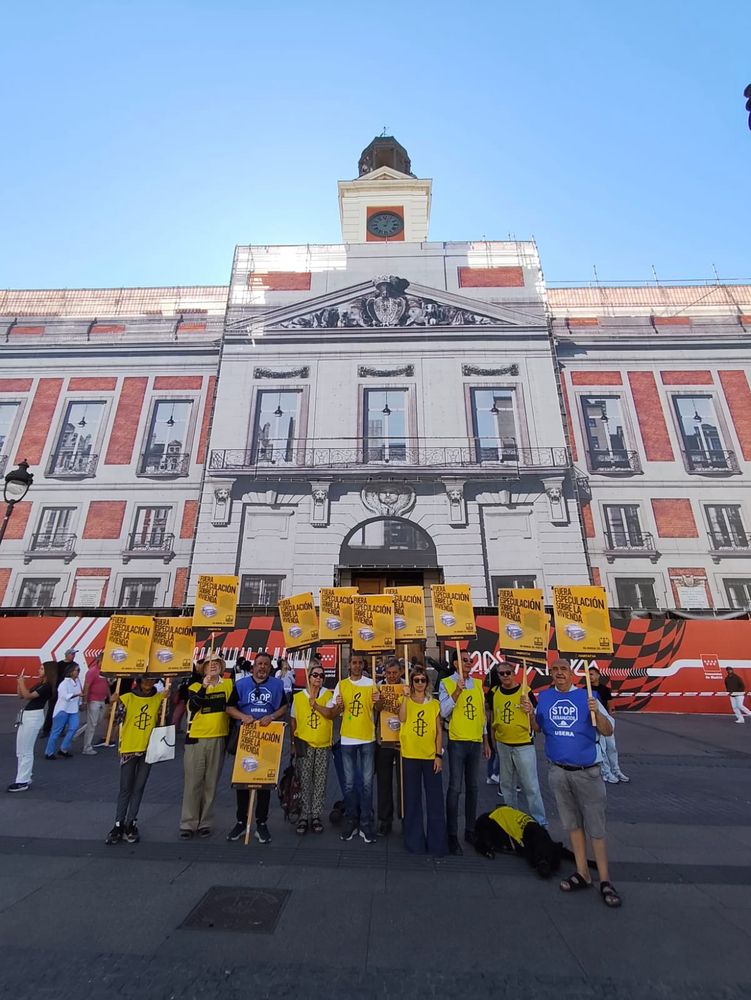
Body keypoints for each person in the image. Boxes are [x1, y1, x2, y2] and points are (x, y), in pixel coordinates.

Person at [523, 657, 622, 908]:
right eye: (555, 669)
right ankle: (582, 873)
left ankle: (605, 880)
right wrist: (530, 713)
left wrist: (596, 712)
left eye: (563, 669)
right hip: (558, 771)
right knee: (573, 825)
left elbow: (608, 730)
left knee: (596, 827)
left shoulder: (587, 696)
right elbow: (539, 728)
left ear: (571, 673)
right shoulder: (545, 697)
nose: (559, 673)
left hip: (587, 772)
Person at [225, 651, 287, 844]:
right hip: (246, 736)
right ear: (253, 667)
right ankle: (241, 821)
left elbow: (284, 707)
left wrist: (272, 716)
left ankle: (261, 822)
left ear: (270, 667)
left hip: (267, 738)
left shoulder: (277, 685)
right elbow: (229, 708)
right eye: (259, 664)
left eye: (266, 664)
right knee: (243, 780)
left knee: (264, 781)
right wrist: (243, 716)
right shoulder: (241, 684)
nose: (262, 667)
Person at [439, 649, 491, 855]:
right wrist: (457, 692)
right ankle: (451, 834)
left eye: (470, 660)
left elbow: (481, 715)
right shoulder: (447, 683)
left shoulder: (477, 684)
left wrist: (486, 741)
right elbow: (443, 711)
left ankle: (470, 829)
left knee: (473, 788)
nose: (469, 663)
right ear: (455, 664)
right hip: (458, 741)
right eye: (464, 660)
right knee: (455, 788)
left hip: (475, 742)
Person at [105, 676, 168, 845]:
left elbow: (163, 719)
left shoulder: (159, 698)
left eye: (152, 680)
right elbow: (115, 719)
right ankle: (118, 823)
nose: (148, 683)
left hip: (148, 748)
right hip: (129, 748)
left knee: (139, 787)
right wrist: (112, 704)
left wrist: (165, 701)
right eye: (145, 680)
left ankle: (131, 822)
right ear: (139, 681)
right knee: (125, 788)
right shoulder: (126, 698)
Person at [486, 660, 546, 825]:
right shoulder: (494, 692)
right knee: (507, 786)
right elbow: (492, 717)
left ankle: (540, 822)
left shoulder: (525, 690)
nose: (505, 676)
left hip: (523, 745)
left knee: (531, 786)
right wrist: (492, 740)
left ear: (514, 673)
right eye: (502, 673)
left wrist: (530, 712)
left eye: (508, 672)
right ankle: (513, 821)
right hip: (503, 744)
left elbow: (537, 721)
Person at [179, 656, 233, 839]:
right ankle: (188, 822)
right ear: (203, 668)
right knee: (193, 783)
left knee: (211, 784)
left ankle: (205, 822)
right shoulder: (194, 687)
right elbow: (193, 706)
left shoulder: (229, 685)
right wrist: (204, 687)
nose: (213, 665)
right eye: (210, 663)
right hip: (196, 739)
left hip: (218, 738)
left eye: (217, 662)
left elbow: (234, 707)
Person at [330, 653, 381, 843]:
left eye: (360, 663)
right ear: (349, 665)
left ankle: (366, 822)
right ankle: (351, 820)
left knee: (367, 784)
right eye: (354, 663)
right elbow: (335, 711)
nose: (357, 665)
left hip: (367, 737)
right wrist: (338, 705)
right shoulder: (341, 685)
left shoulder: (370, 683)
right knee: (349, 784)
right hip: (347, 738)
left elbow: (379, 707)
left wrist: (378, 699)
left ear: (363, 665)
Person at [399, 667, 448, 855]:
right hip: (410, 755)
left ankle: (437, 843)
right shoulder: (405, 700)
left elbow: (438, 732)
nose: (419, 683)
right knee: (412, 799)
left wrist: (438, 755)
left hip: (430, 756)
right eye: (416, 680)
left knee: (435, 800)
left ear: (427, 683)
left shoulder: (434, 704)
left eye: (423, 680)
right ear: (411, 682)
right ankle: (414, 842)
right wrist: (405, 697)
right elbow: (402, 718)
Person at [290, 662, 335, 834]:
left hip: (322, 744)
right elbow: (293, 720)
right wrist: (293, 744)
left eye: (321, 676)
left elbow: (330, 714)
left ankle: (316, 815)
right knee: (304, 780)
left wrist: (315, 705)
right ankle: (304, 814)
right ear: (308, 677)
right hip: (304, 744)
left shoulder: (327, 695)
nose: (318, 678)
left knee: (320, 781)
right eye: (315, 675)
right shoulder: (298, 697)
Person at [7, 661, 58, 792]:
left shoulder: (47, 687)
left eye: (42, 669)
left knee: (26, 750)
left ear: (48, 671)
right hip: (26, 716)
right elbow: (21, 695)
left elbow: (28, 696)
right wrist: (19, 683)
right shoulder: (40, 684)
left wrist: (21, 683)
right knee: (21, 750)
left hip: (33, 717)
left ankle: (22, 781)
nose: (39, 670)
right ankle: (24, 776)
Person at [585, 666, 629, 782]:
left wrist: (609, 719)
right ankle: (606, 772)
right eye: (588, 674)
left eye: (592, 674)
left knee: (612, 747)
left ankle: (616, 770)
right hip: (594, 724)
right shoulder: (584, 690)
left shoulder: (604, 689)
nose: (590, 676)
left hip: (606, 722)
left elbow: (610, 704)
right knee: (602, 748)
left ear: (598, 675)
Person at [375, 658, 403, 836]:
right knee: (384, 782)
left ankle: (404, 816)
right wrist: (377, 701)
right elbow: (376, 709)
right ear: (384, 673)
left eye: (395, 673)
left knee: (403, 782)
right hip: (383, 739)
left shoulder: (406, 686)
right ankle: (385, 819)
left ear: (400, 672)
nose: (392, 676)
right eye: (389, 673)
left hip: (402, 740)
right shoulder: (378, 687)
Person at [45, 665, 83, 759]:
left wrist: (80, 702)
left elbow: (80, 693)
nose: (78, 672)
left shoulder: (78, 681)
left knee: (74, 727)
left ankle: (63, 749)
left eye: (79, 670)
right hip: (62, 710)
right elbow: (65, 696)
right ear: (71, 672)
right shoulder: (64, 683)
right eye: (77, 670)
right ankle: (49, 752)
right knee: (56, 732)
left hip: (73, 709)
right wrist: (77, 695)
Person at [80, 655, 109, 755]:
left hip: (102, 700)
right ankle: (87, 747)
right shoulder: (92, 672)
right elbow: (86, 686)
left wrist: (109, 697)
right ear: (99, 660)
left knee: (96, 722)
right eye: (104, 661)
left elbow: (106, 685)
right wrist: (84, 701)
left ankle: (76, 734)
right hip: (93, 701)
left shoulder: (105, 671)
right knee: (92, 724)